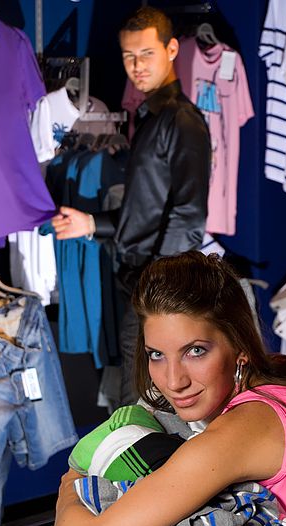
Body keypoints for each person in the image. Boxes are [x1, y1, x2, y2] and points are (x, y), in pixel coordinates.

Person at [30, 251, 286, 526]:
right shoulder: (284, 371)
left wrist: (71, 486)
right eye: (156, 355)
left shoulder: (243, 428)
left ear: (239, 347)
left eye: (195, 351)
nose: (174, 381)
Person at [51, 6, 211, 406]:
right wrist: (91, 223)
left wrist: (157, 292)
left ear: (172, 49)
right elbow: (145, 211)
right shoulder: (151, 116)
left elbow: (189, 216)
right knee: (138, 405)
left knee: (142, 409)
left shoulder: (182, 122)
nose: (136, 66)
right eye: (128, 56)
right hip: (140, 283)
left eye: (146, 54)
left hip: (152, 290)